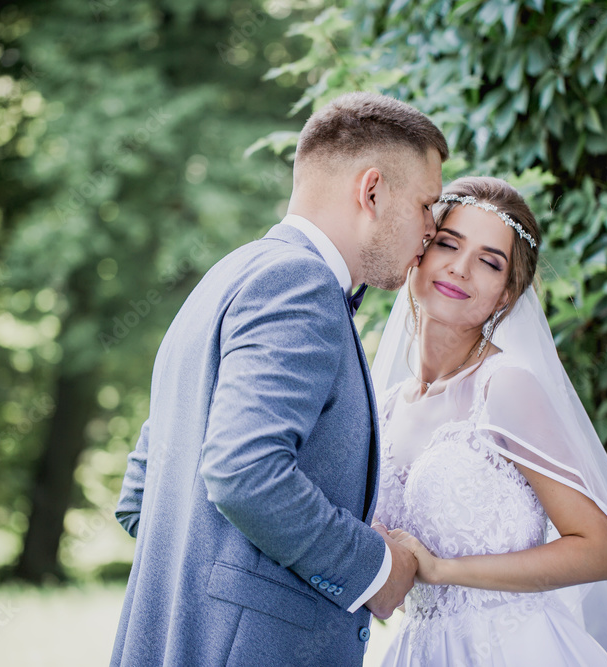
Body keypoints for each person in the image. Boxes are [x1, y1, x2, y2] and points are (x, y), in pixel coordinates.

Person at [110, 92, 449, 666]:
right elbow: (243, 471)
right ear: (372, 191)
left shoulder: (225, 277)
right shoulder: (300, 286)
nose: (432, 229)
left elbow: (142, 497)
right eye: (426, 205)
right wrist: (375, 569)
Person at [370, 176, 607, 666]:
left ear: (506, 296)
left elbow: (600, 550)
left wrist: (445, 568)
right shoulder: (385, 408)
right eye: (448, 244)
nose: (460, 268)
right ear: (419, 253)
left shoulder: (504, 386)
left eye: (489, 261)